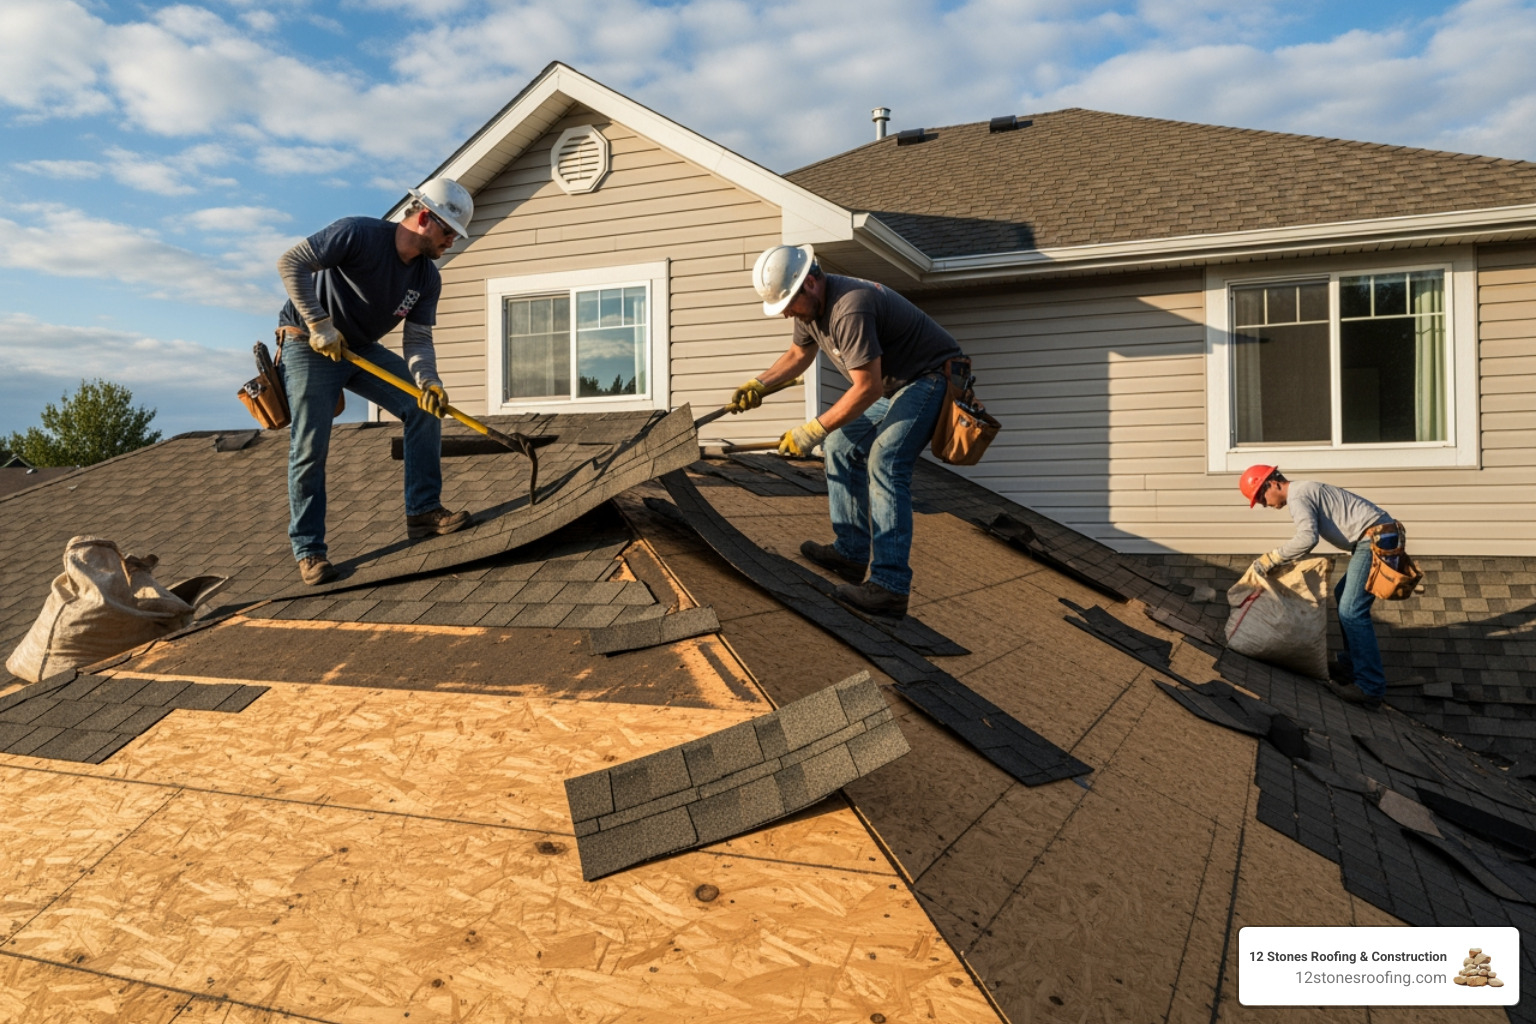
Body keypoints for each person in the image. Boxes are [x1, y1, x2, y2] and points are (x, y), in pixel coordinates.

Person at [728, 244, 964, 618]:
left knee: (886, 461)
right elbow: (797, 356)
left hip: (932, 378)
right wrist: (759, 384)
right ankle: (850, 554)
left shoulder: (849, 305)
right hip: (898, 384)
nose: (786, 312)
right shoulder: (809, 308)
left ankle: (890, 587)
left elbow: (867, 388)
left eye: (788, 302)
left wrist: (811, 430)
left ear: (809, 283)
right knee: (840, 443)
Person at [275, 178, 477, 585]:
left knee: (422, 407)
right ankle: (310, 550)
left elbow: (417, 340)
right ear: (424, 218)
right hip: (307, 342)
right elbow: (290, 262)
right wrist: (319, 323)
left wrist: (431, 382)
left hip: (360, 348)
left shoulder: (426, 279)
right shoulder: (358, 233)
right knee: (310, 445)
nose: (451, 243)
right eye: (449, 233)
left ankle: (423, 511)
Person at [1240, 465, 1396, 710]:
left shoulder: (1298, 495)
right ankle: (1350, 666)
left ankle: (1370, 688)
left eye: (1261, 497)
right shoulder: (1303, 490)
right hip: (1374, 536)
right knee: (1342, 595)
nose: (1263, 504)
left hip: (1375, 538)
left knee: (1352, 611)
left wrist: (1272, 558)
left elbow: (1307, 538)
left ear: (1272, 483)